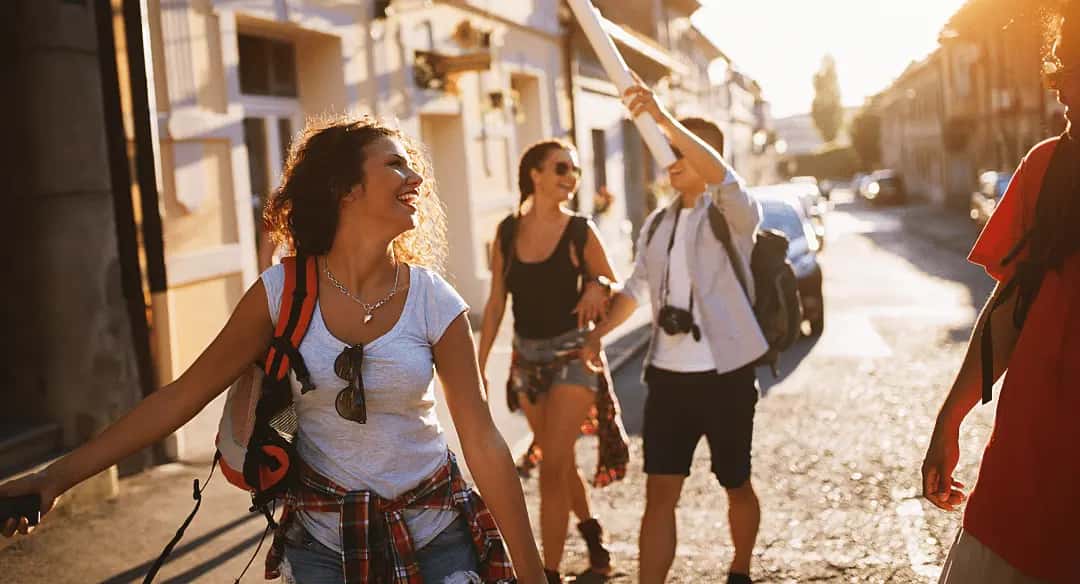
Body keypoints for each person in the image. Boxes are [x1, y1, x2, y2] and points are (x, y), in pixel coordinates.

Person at [0, 115, 547, 584]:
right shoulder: (280, 293)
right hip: (322, 550)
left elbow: (482, 440)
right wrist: (54, 479)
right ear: (345, 187)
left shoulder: (434, 299)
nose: (417, 177)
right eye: (397, 164)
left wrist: (533, 572)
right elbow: (179, 398)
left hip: (436, 535)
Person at [580, 80, 766, 584]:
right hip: (667, 377)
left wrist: (664, 119)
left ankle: (740, 571)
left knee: (735, 483)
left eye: (679, 150)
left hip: (725, 376)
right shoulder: (658, 224)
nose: (669, 158)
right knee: (659, 494)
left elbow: (722, 177)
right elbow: (636, 290)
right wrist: (597, 336)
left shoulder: (734, 212)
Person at [921, 9, 1080, 584]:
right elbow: (1013, 307)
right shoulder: (1048, 167)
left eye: (1070, 65)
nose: (1055, 82)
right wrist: (950, 419)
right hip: (1030, 465)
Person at [477, 139, 629, 583]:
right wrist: (479, 365)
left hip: (572, 357)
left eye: (575, 170)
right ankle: (590, 530)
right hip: (528, 362)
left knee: (553, 464)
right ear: (535, 174)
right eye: (562, 167)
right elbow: (495, 303)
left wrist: (597, 286)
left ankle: (546, 572)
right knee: (559, 462)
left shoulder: (581, 230)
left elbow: (621, 290)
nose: (571, 176)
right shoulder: (506, 231)